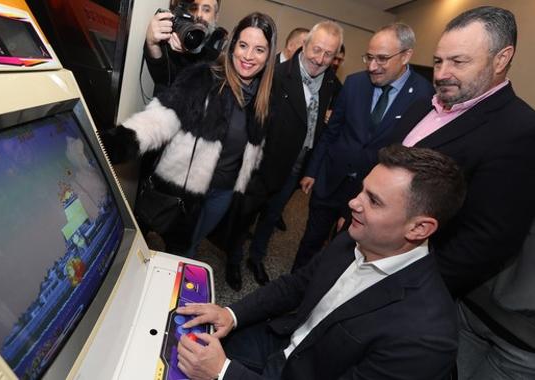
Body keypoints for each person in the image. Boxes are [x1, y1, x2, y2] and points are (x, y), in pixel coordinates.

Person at [174, 145, 467, 380]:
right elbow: (297, 285)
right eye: (362, 190)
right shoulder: (355, 235)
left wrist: (224, 373)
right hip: (281, 343)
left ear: (419, 229)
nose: (353, 202)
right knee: (174, 350)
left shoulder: (425, 337)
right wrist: (231, 313)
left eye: (374, 201)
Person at [387, 6, 535, 377]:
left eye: (458, 61)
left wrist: (403, 285)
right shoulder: (428, 103)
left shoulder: (519, 129)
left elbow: (487, 239)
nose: (441, 73)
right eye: (437, 61)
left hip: (414, 285)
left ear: (502, 58)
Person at [103, 12, 278, 256]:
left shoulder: (264, 101)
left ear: (269, 56)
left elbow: (255, 152)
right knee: (149, 250)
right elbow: (161, 118)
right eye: (243, 45)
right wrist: (107, 145)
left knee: (191, 248)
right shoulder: (205, 77)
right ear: (232, 46)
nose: (248, 56)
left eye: (259, 49)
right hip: (183, 191)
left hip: (223, 194)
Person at [292, 22, 434, 271]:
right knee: (310, 242)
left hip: (371, 194)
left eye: (382, 59)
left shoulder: (423, 96)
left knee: (346, 253)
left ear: (406, 56)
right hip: (330, 180)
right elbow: (331, 132)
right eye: (369, 57)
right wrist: (312, 171)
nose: (372, 66)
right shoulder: (355, 83)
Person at [224, 21, 343, 291]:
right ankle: (233, 260)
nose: (320, 59)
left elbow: (321, 129)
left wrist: (310, 168)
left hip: (296, 165)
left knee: (272, 216)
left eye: (328, 54)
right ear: (305, 45)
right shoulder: (276, 74)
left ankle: (257, 257)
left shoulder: (331, 83)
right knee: (247, 215)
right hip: (265, 162)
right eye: (316, 50)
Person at [144, 0, 226, 95]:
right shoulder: (171, 38)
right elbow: (161, 79)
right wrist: (152, 43)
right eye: (194, 8)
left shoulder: (219, 57)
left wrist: (191, 51)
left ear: (216, 17)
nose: (199, 14)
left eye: (206, 10)